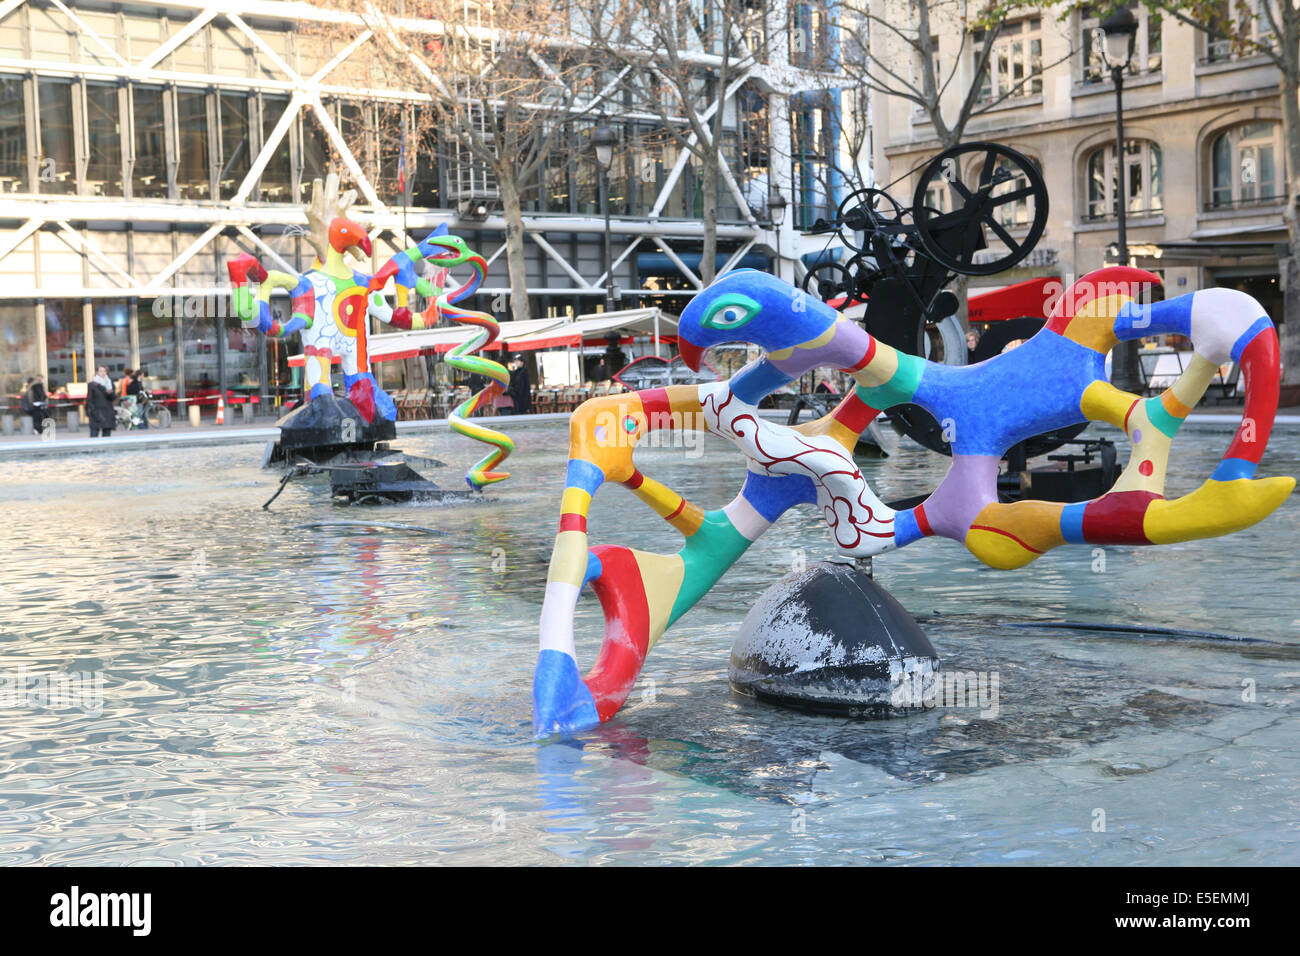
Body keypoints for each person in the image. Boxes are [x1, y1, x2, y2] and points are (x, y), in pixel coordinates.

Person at [87, 365, 116, 438]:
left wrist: (110, 393)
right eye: (101, 371)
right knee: (94, 435)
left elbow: (113, 398)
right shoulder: (92, 385)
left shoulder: (109, 383)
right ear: (97, 372)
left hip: (107, 412)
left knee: (107, 435)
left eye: (104, 371)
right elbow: (89, 400)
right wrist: (93, 411)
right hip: (97, 413)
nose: (103, 373)